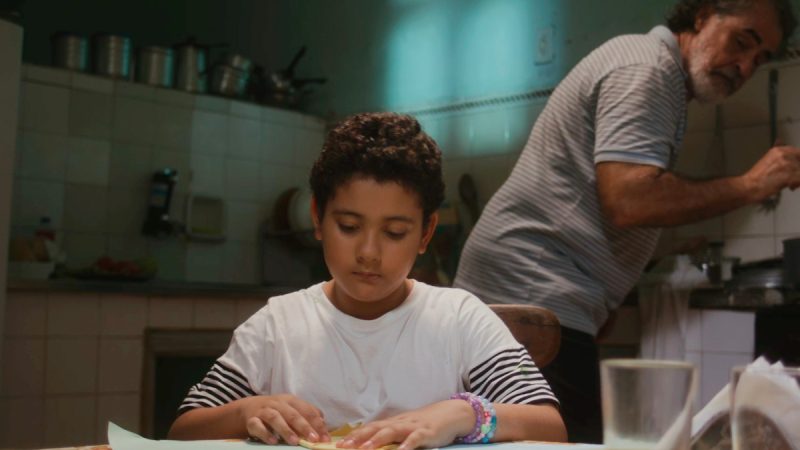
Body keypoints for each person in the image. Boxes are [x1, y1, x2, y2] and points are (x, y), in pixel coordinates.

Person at [453, 0, 800, 444]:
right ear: (702, 16)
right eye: (741, 42)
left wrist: (608, 292)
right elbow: (629, 198)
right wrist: (752, 185)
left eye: (760, 59)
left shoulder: (657, 75)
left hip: (535, 297)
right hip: (529, 300)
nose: (745, 66)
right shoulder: (648, 69)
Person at [168, 112, 567, 448]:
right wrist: (245, 411)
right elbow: (181, 431)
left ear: (426, 233)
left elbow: (550, 427)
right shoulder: (278, 325)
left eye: (394, 232)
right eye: (348, 226)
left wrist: (464, 413)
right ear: (318, 218)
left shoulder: (458, 318)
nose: (369, 252)